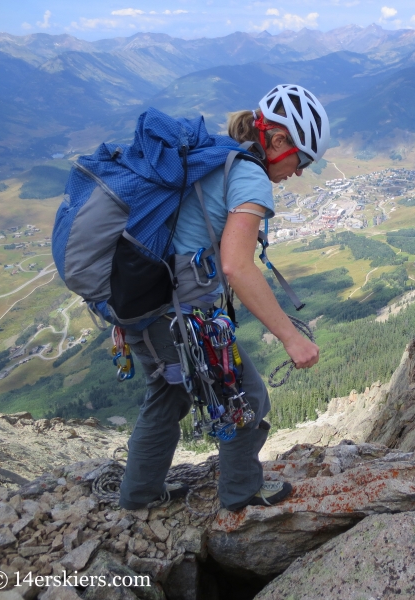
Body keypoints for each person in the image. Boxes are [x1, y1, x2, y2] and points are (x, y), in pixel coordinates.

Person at [118, 84, 329, 511]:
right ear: (279, 140)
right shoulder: (250, 175)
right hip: (178, 312)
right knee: (247, 397)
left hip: (142, 298)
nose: (301, 171)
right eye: (302, 159)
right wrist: (292, 338)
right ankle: (241, 492)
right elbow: (237, 265)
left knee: (168, 394)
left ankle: (138, 496)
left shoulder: (216, 155)